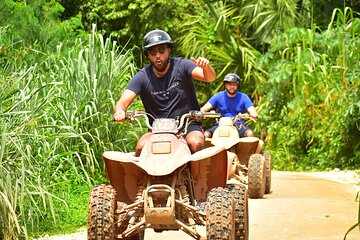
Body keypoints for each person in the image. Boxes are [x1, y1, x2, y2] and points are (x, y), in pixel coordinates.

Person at [113, 29, 216, 156]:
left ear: (169, 50)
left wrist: (205, 67)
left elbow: (209, 77)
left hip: (188, 125)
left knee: (195, 142)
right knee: (140, 147)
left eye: (161, 50)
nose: (157, 55)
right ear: (148, 55)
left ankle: (198, 176)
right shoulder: (142, 76)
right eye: (152, 52)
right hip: (157, 130)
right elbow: (123, 101)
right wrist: (120, 111)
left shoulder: (182, 65)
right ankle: (145, 176)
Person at [200, 73, 258, 138]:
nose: (232, 87)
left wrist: (253, 115)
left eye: (234, 84)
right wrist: (201, 113)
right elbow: (203, 109)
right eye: (229, 84)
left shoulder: (244, 97)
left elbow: (253, 112)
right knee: (206, 134)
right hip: (220, 125)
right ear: (225, 85)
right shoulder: (218, 96)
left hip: (238, 125)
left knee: (250, 134)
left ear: (237, 86)